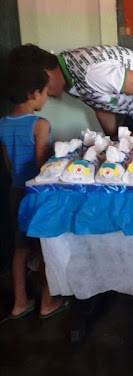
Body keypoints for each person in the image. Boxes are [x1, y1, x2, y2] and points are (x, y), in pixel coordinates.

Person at [0, 55, 70, 319]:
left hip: (15, 191)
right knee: (43, 249)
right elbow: (42, 166)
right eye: (45, 93)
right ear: (33, 94)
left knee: (20, 250)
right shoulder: (39, 125)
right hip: (36, 196)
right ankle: (47, 301)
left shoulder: (3, 124)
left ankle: (20, 302)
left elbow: (9, 164)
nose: (46, 99)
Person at [12, 45, 133, 139]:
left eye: (41, 91)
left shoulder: (93, 72)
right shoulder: (68, 75)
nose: (47, 96)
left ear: (46, 74)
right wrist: (113, 140)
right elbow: (101, 106)